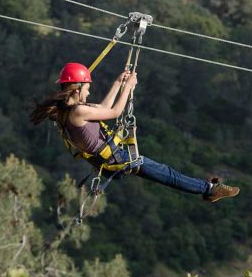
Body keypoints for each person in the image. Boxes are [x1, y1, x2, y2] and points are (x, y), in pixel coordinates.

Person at [30, 62, 240, 202]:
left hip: (111, 160)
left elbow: (103, 108)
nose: (89, 91)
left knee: (165, 173)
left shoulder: (69, 112)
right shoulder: (78, 111)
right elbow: (114, 112)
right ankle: (209, 190)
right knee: (167, 174)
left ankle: (207, 189)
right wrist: (129, 88)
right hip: (116, 159)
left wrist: (118, 83)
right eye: (87, 88)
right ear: (77, 88)